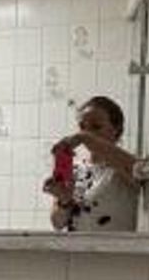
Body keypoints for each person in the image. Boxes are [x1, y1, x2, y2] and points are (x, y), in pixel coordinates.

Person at [43, 96, 140, 232]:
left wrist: (84, 137)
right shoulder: (75, 169)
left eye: (96, 127)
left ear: (116, 129)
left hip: (114, 246)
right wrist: (64, 200)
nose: (88, 132)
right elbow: (57, 223)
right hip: (76, 245)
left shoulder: (125, 164)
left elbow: (140, 171)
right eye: (82, 127)